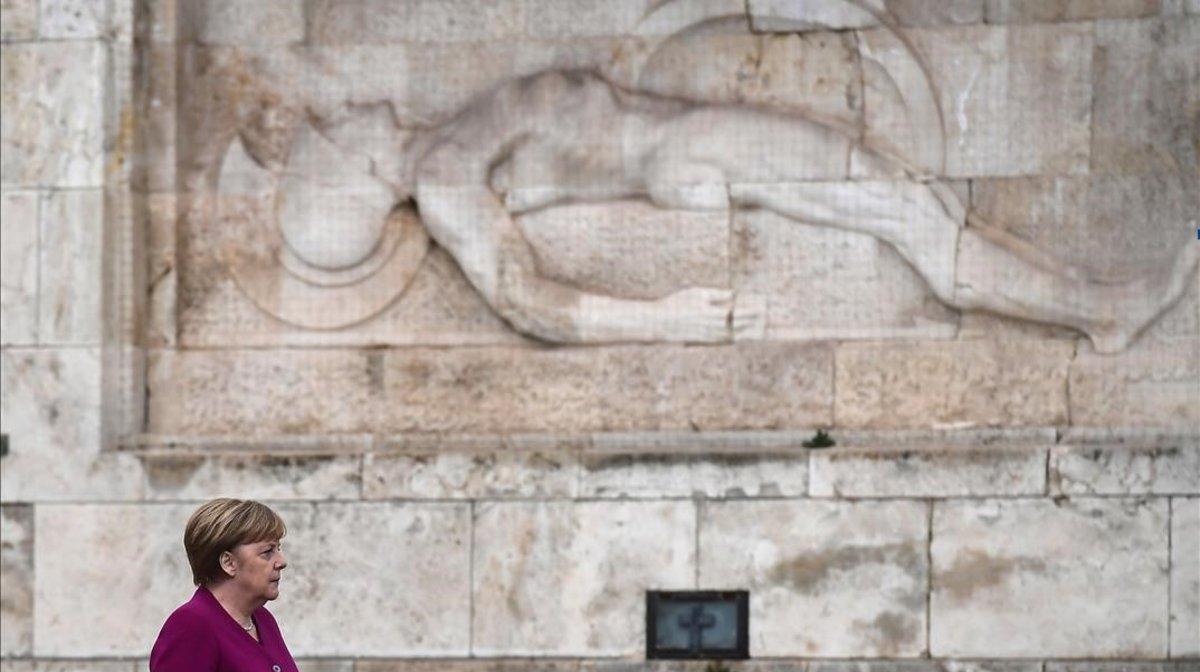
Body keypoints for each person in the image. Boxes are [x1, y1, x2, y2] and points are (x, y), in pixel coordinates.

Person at [258, 67, 1196, 352]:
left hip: (692, 139)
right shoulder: (450, 172)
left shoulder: (453, 133)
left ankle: (1096, 307)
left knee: (904, 202)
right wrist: (661, 320)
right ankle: (1101, 311)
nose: (347, 104)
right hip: (689, 148)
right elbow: (524, 299)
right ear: (362, 164)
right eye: (338, 125)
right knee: (903, 206)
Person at [148, 499, 311, 672]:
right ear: (228, 562)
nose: (281, 561)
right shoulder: (190, 628)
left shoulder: (263, 621)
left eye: (279, 549)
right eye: (267, 552)